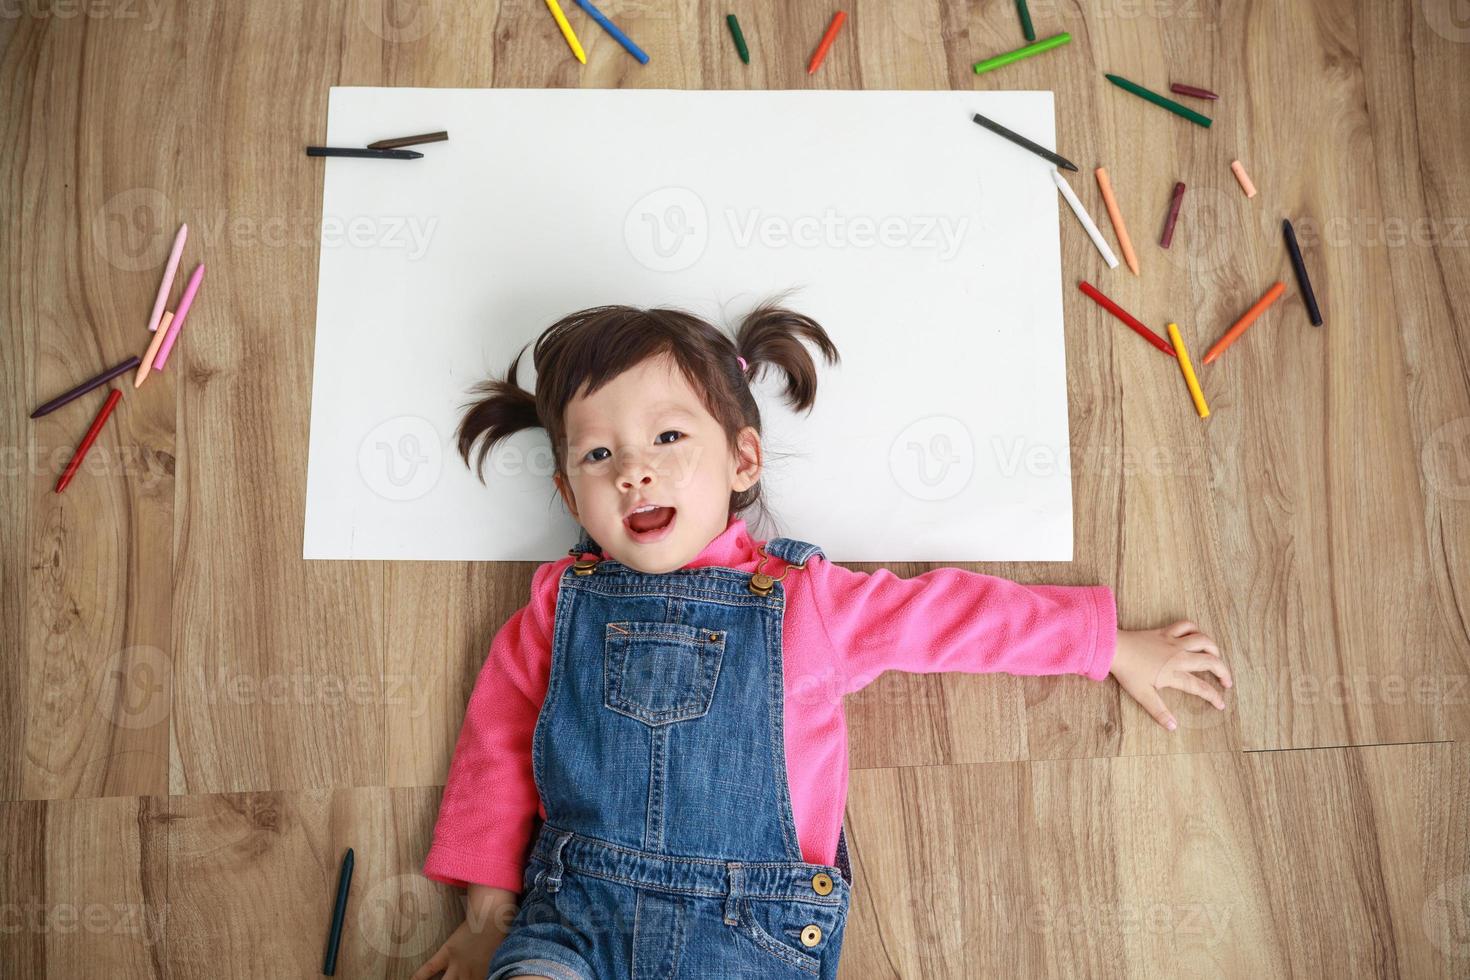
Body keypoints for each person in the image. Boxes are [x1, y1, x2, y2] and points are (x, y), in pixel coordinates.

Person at [411, 299, 1231, 980]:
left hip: (746, 931)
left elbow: (951, 620)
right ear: (568, 492)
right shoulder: (558, 611)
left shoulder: (804, 603)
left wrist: (1106, 644)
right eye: (599, 455)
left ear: (742, 461)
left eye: (668, 439)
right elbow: (495, 747)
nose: (634, 470)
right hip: (574, 917)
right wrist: (487, 909)